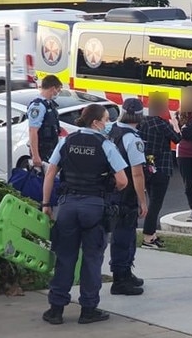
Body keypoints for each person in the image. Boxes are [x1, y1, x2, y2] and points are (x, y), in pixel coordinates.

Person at [40, 104, 128, 325]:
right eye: (106, 119)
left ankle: (56, 310)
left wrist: (45, 204)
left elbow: (50, 173)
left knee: (65, 258)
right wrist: (108, 188)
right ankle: (88, 310)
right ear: (96, 122)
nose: (108, 124)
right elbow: (122, 181)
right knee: (91, 260)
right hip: (94, 208)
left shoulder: (66, 141)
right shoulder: (105, 145)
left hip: (68, 206)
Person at [107, 98, 148, 295]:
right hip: (127, 193)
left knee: (123, 235)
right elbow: (137, 173)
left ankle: (125, 273)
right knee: (124, 236)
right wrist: (142, 200)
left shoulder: (110, 130)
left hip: (111, 191)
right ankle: (120, 279)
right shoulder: (133, 139)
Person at [138, 99, 181, 248]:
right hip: (161, 167)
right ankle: (148, 237)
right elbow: (177, 139)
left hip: (147, 166)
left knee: (152, 200)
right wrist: (175, 124)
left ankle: (153, 235)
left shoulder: (142, 122)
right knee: (156, 204)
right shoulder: (161, 124)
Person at [28, 75, 63, 167]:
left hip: (51, 149)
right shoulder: (38, 106)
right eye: (58, 90)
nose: (58, 93)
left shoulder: (49, 104)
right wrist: (36, 156)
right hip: (42, 151)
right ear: (52, 88)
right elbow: (33, 131)